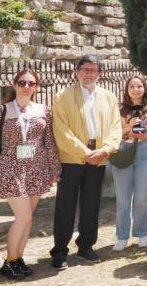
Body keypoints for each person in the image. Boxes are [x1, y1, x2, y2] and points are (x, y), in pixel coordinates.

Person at [0, 69, 60, 279]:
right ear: (15, 85)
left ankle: (18, 259)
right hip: (12, 170)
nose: (26, 86)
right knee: (23, 216)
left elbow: (49, 142)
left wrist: (54, 169)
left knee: (28, 219)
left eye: (31, 83)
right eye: (22, 82)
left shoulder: (43, 111)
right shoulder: (0, 111)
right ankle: (9, 262)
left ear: (37, 87)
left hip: (37, 169)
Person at [50, 55, 121, 270]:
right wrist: (85, 152)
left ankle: (86, 246)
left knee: (91, 204)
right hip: (72, 158)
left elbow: (115, 127)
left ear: (99, 74)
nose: (89, 73)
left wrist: (105, 150)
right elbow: (61, 130)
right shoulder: (62, 96)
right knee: (66, 205)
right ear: (77, 71)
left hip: (98, 157)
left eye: (93, 70)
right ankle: (60, 250)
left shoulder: (109, 97)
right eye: (85, 69)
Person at [110, 75, 147, 251]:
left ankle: (143, 233)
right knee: (123, 199)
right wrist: (129, 127)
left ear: (145, 88)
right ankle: (122, 236)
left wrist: (143, 135)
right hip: (123, 150)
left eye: (139, 86)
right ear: (127, 89)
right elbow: (112, 133)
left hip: (146, 152)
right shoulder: (118, 109)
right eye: (132, 86)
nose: (136, 89)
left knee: (143, 197)